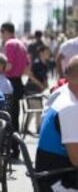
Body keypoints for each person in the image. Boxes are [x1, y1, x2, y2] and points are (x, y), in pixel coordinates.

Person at [35, 55, 78, 191]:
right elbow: (76, 159)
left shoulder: (64, 93)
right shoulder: (70, 108)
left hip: (55, 173)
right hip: (57, 182)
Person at [0, 22, 29, 158]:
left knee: (7, 116)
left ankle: (9, 148)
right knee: (14, 116)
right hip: (18, 82)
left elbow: (9, 66)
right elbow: (27, 67)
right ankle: (15, 148)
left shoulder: (10, 44)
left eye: (1, 32)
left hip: (9, 83)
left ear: (5, 31)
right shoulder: (21, 44)